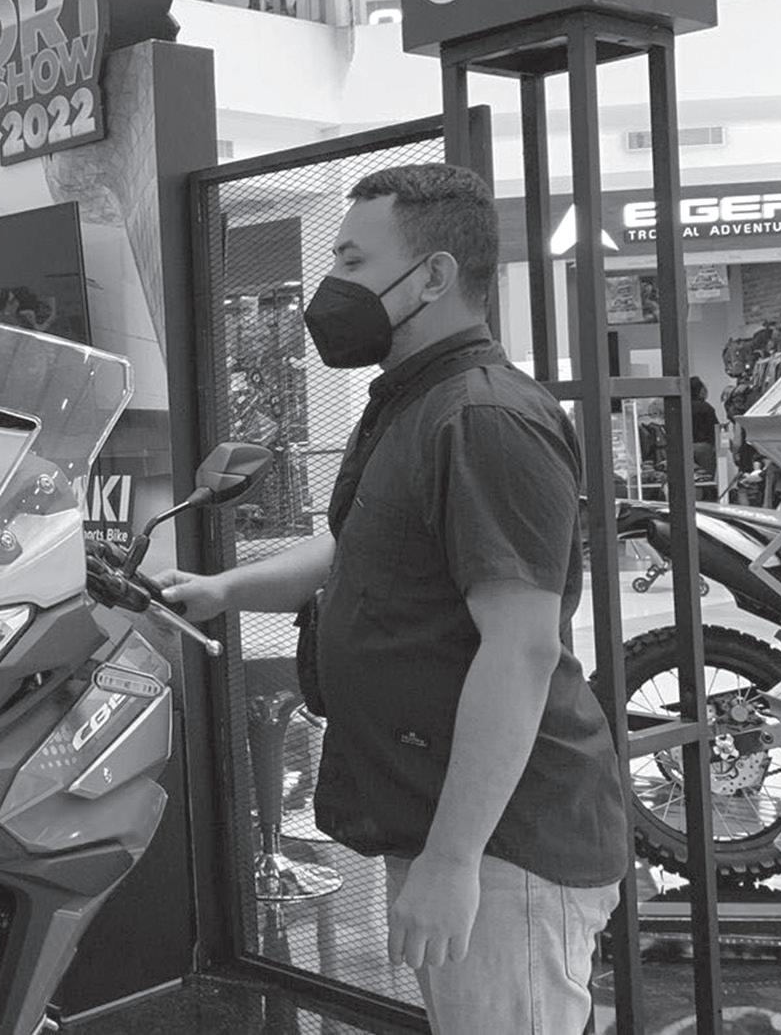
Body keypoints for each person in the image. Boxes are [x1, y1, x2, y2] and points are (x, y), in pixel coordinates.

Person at [160, 165, 627, 1034]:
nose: (331, 283)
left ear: (434, 276)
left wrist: (452, 861)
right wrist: (223, 589)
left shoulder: (482, 419)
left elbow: (520, 649)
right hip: (441, 818)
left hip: (502, 844)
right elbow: (358, 546)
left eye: (350, 259)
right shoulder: (418, 405)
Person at [690, 376, 721, 480]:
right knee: (706, 479)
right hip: (704, 448)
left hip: (686, 447)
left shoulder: (682, 407)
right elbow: (714, 429)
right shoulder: (706, 407)